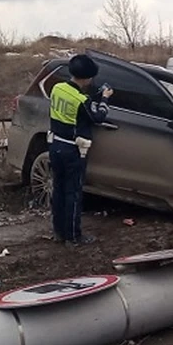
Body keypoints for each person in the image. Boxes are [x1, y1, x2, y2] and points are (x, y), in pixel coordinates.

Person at [48, 54, 112, 245]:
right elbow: (98, 116)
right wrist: (105, 99)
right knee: (73, 193)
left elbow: (78, 103)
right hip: (73, 151)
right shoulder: (82, 100)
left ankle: (59, 232)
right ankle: (74, 237)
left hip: (55, 146)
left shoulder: (57, 89)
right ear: (87, 78)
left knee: (58, 190)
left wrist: (94, 97)